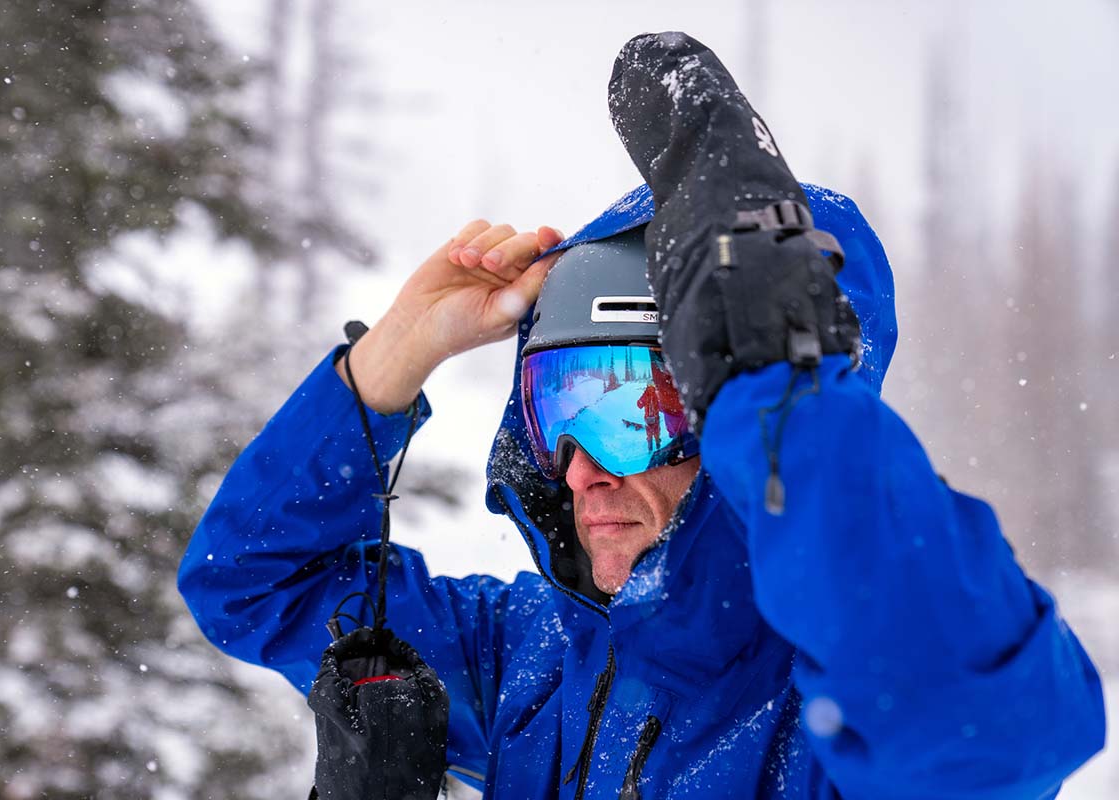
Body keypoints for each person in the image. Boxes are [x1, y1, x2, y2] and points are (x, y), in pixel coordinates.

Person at [179, 33, 1105, 799]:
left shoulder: (839, 719)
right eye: (559, 412)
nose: (582, 468)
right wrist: (393, 356)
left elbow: (985, 733)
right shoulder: (523, 656)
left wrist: (781, 379)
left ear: (739, 413)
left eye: (635, 409)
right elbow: (249, 581)